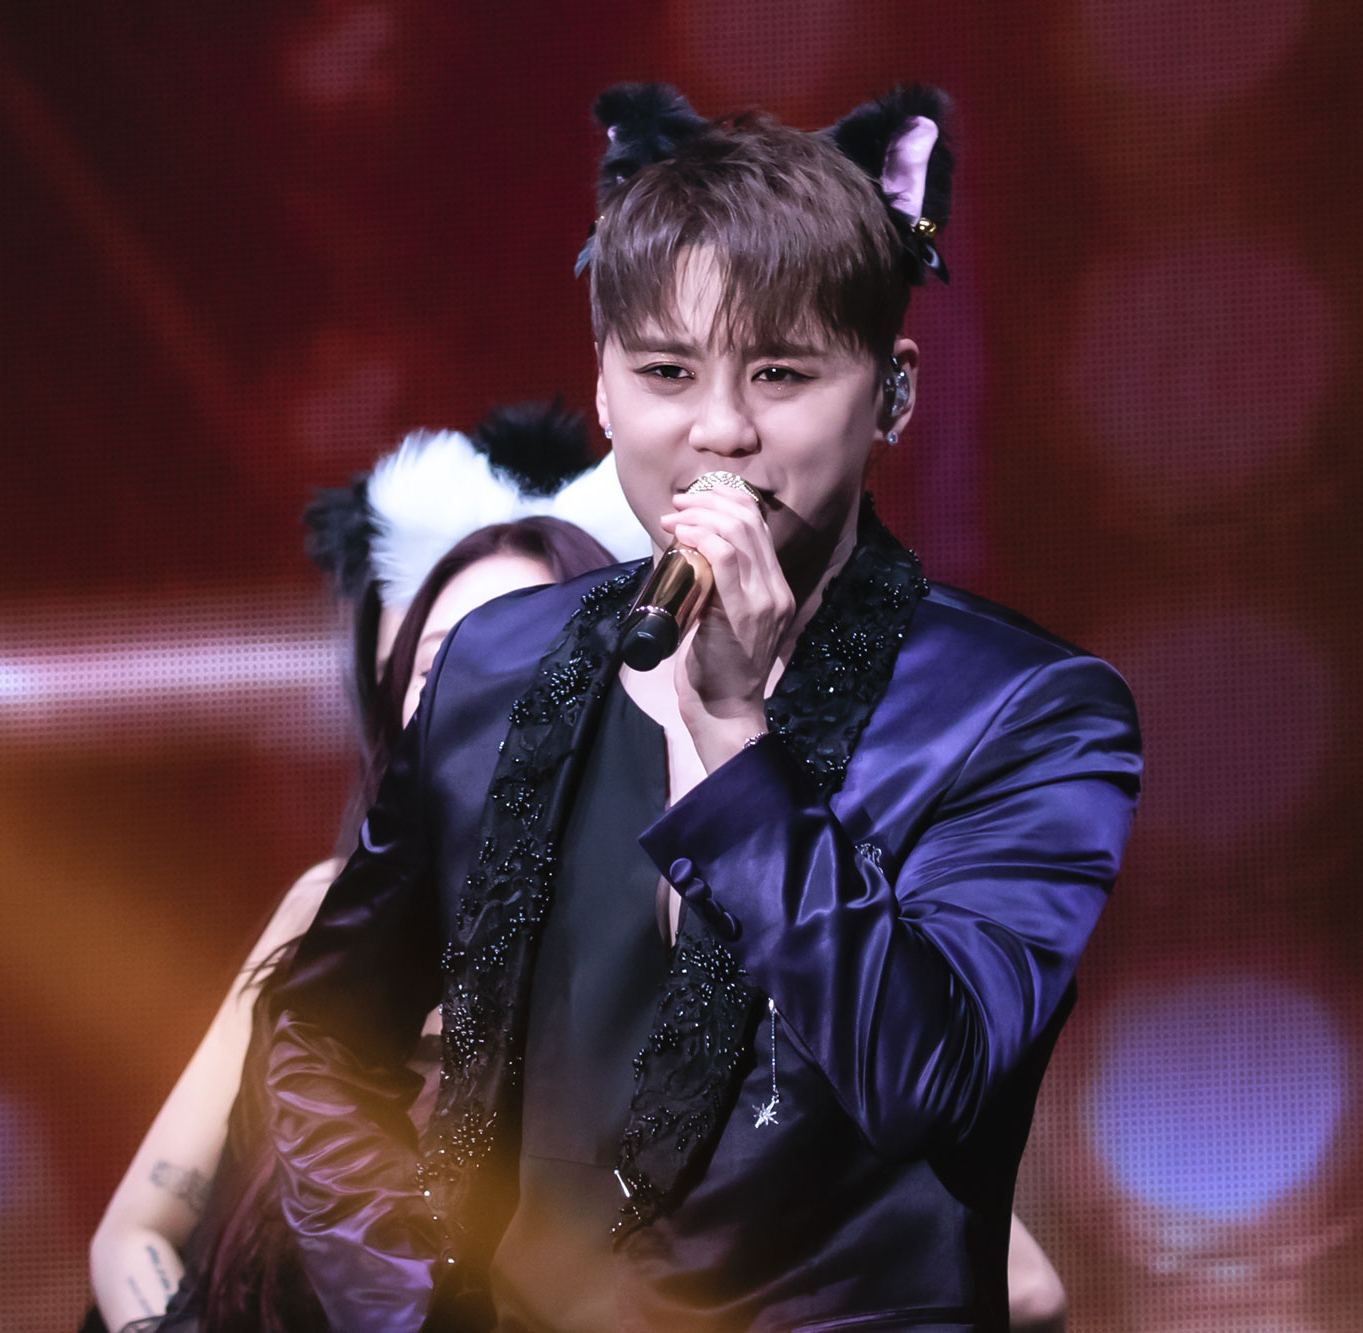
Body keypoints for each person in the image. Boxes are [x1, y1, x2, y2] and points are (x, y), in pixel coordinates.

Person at [258, 83, 1142, 1332]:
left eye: (780, 372)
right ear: (604, 393)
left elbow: (923, 1081)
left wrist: (733, 733)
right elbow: (321, 1037)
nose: (719, 430)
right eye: (667, 372)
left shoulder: (1026, 714)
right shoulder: (498, 663)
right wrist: (408, 1310)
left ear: (890, 395)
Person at [88, 405, 641, 1332]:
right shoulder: (320, 910)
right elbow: (135, 1232)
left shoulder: (666, 933)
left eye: (523, 658)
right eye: (439, 663)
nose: (473, 693)